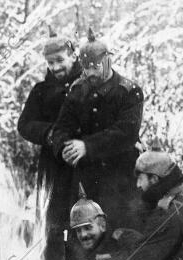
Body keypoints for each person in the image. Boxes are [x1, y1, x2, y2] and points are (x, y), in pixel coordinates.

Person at [51, 28, 145, 232]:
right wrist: (65, 148)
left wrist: (87, 146)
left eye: (95, 66)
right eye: (86, 67)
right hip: (86, 177)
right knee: (86, 233)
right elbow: (61, 128)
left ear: (108, 61)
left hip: (121, 176)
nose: (90, 73)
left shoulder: (128, 91)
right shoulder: (78, 90)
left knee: (122, 230)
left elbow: (126, 132)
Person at [17, 29, 83, 260]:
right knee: (50, 224)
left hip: (80, 166)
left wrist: (82, 142)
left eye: (60, 61)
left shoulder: (86, 86)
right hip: (52, 168)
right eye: (50, 62)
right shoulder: (41, 91)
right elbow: (25, 125)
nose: (56, 67)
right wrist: (49, 133)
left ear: (73, 56)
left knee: (82, 219)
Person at [62, 185, 143, 260]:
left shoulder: (122, 237)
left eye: (88, 228)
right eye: (78, 231)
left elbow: (146, 256)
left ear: (102, 225)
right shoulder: (86, 255)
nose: (83, 235)